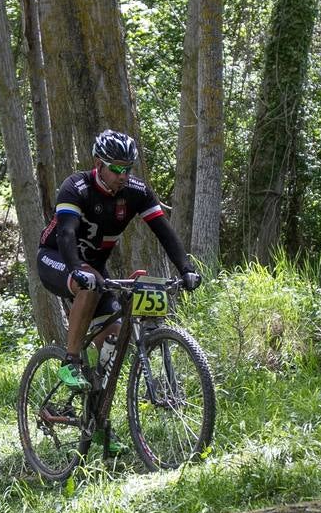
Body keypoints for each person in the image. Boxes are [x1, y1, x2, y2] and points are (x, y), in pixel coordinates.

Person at [37, 129, 201, 390]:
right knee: (90, 283)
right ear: (98, 164)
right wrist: (77, 268)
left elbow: (164, 231)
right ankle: (70, 361)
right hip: (57, 257)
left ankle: (95, 411)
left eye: (128, 169)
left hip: (95, 268)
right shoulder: (76, 187)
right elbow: (66, 233)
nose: (123, 176)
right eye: (116, 169)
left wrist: (186, 268)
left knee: (114, 339)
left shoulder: (136, 192)